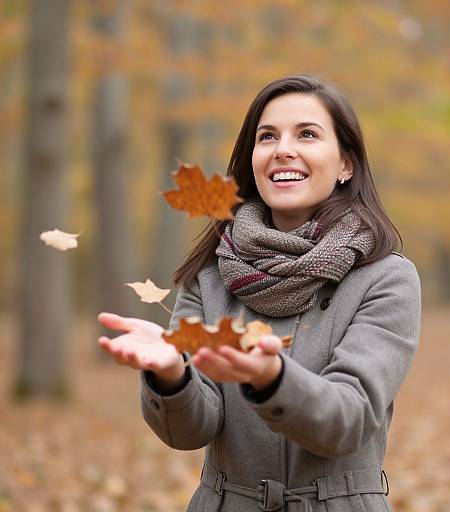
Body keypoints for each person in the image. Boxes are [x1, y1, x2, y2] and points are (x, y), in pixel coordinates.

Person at [98, 74, 421, 512]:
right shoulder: (209, 276)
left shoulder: (386, 278)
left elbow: (350, 418)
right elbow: (190, 431)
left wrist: (272, 379)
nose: (282, 148)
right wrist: (171, 375)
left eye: (306, 134)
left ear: (346, 164)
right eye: (267, 136)